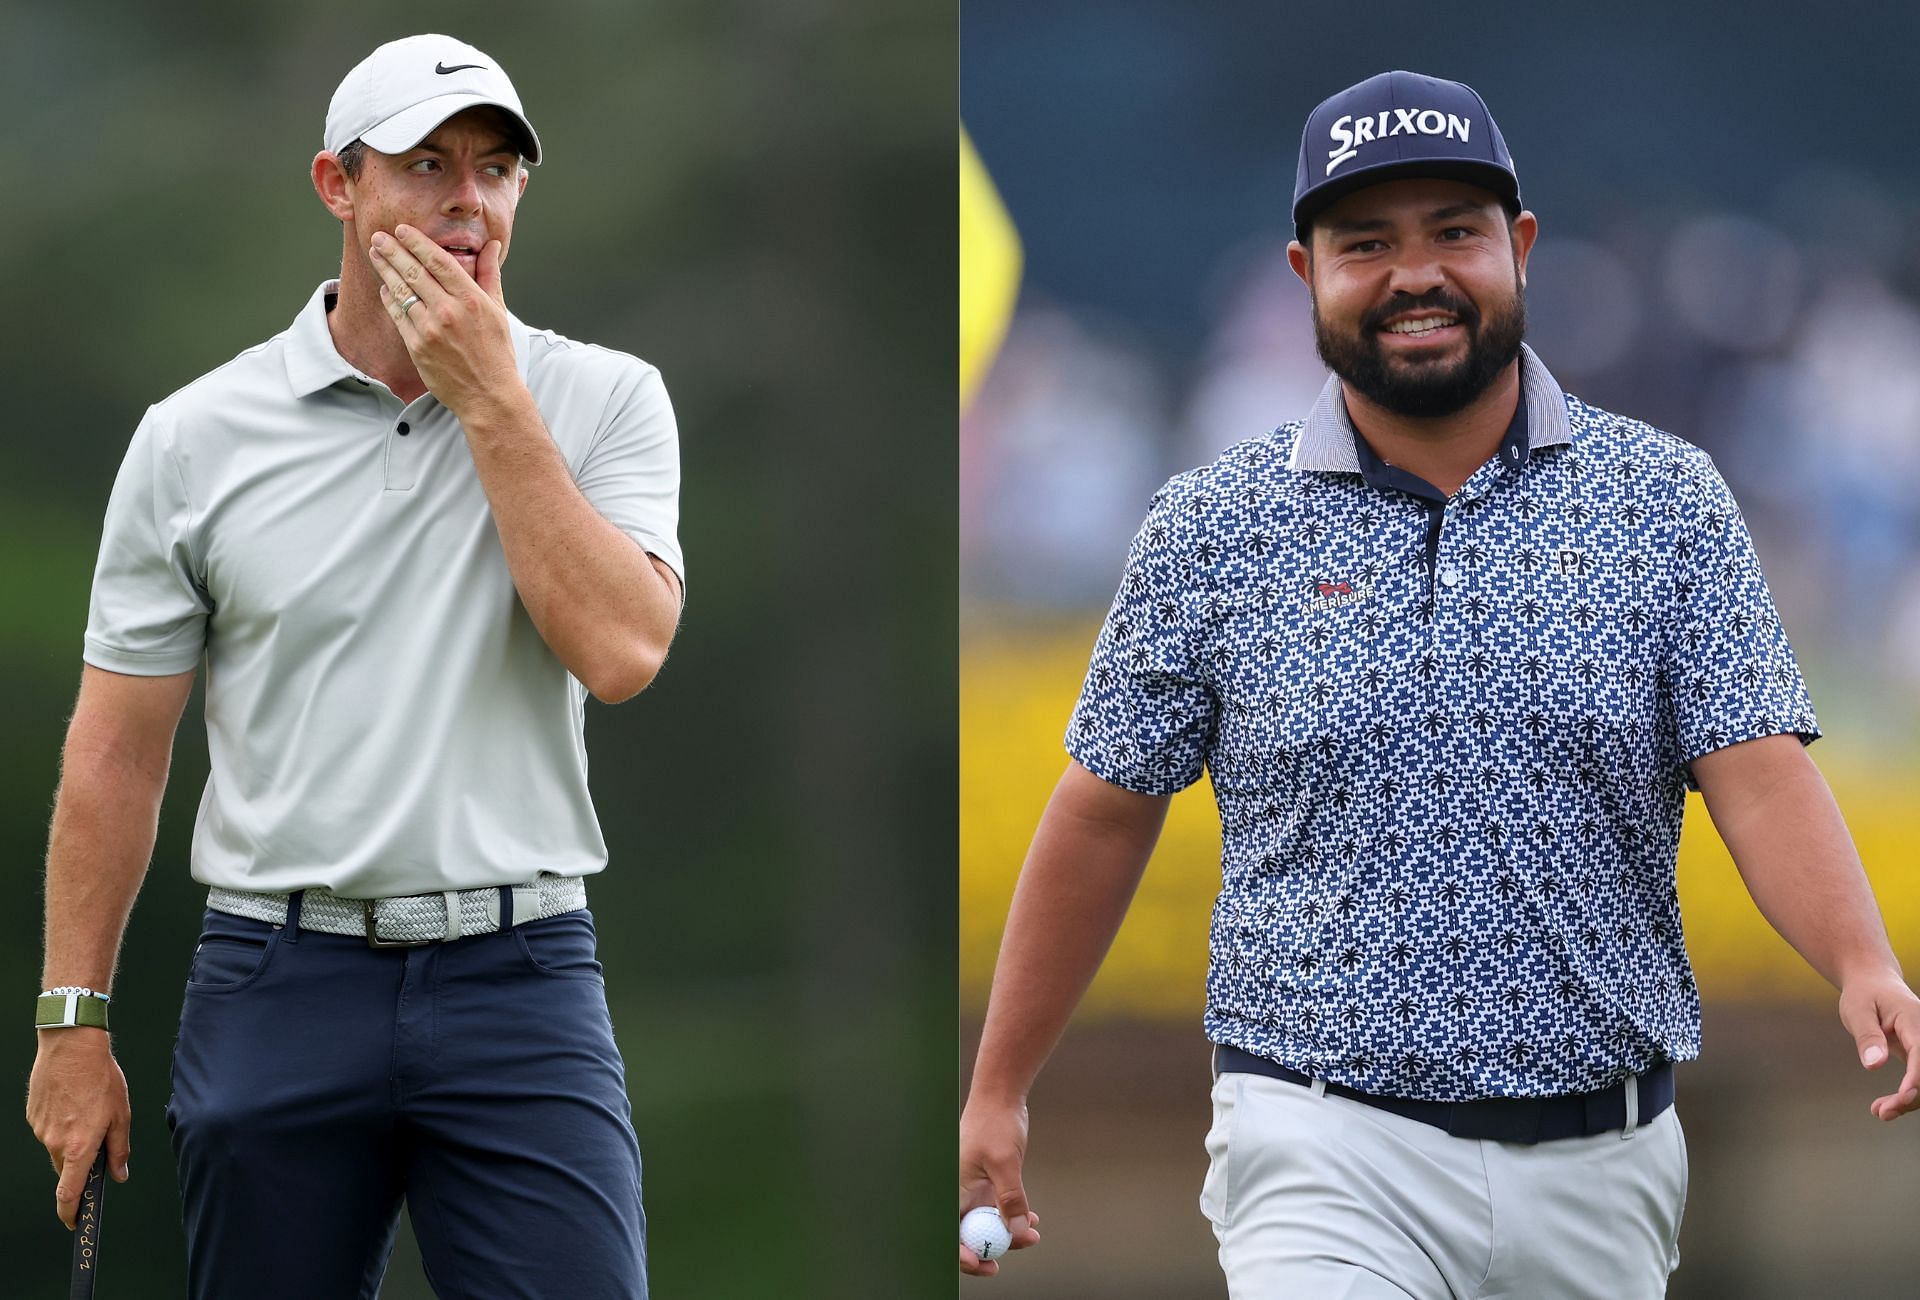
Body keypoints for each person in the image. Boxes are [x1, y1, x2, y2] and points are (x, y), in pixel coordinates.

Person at [959, 70, 1920, 1296]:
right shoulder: (1211, 526)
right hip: (1319, 1138)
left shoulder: (1667, 502)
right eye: (1368, 244)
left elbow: (1759, 774)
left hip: (1603, 1162)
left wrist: (1863, 964)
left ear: (1519, 249)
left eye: (1454, 234)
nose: (1416, 275)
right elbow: (1104, 811)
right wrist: (999, 1088)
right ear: (1308, 275)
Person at [25, 33, 682, 1300]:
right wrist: (73, 1021)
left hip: (521, 976)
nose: (467, 201)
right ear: (339, 186)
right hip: (276, 978)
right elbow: (116, 752)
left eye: (495, 170)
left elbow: (619, 651)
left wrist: (490, 400)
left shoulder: (602, 400)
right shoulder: (194, 438)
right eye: (425, 165)